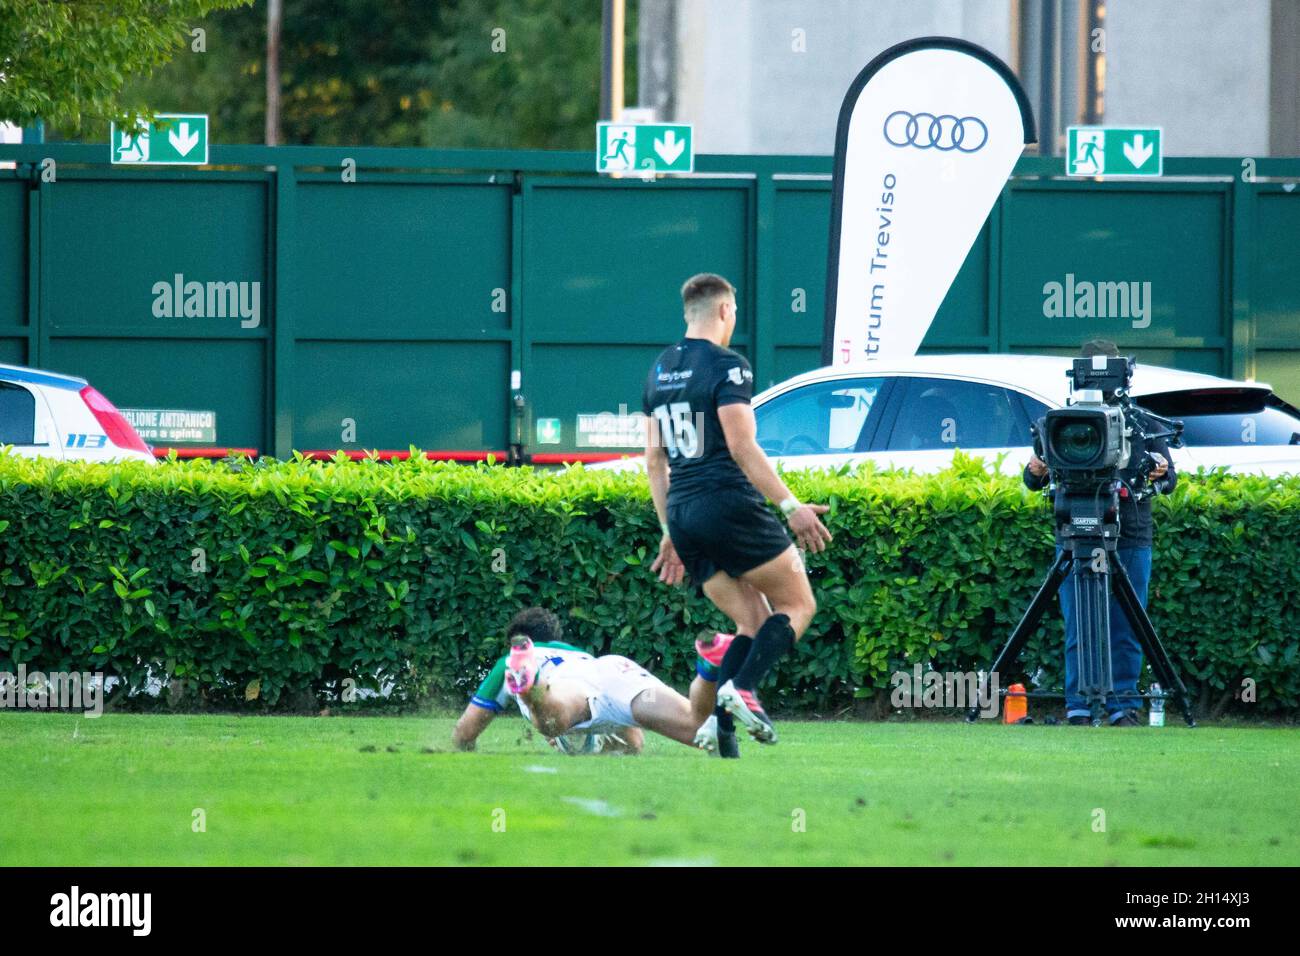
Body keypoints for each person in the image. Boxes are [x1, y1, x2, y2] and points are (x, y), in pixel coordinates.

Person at [644, 273, 832, 751]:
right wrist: (790, 507)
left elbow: (654, 460)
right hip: (726, 503)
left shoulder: (659, 369)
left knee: (751, 621)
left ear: (688, 313)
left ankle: (719, 730)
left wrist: (669, 530)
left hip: (684, 514)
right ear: (726, 312)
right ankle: (741, 688)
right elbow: (742, 446)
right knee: (797, 605)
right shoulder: (729, 365)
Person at [1023, 339, 1177, 726]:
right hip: (1076, 533)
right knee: (1079, 623)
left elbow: (1169, 478)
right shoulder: (1058, 423)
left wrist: (1157, 469)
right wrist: (1037, 469)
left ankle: (1122, 706)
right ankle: (1079, 705)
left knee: (1127, 626)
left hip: (1130, 534)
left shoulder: (1143, 424)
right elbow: (1032, 477)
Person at [452, 606, 740, 755]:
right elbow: (634, 743)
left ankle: (532, 685)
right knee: (698, 729)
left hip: (562, 683)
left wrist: (466, 747)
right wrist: (600, 746)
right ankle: (709, 665)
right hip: (613, 669)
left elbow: (465, 733)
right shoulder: (578, 654)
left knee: (552, 722)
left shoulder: (508, 663)